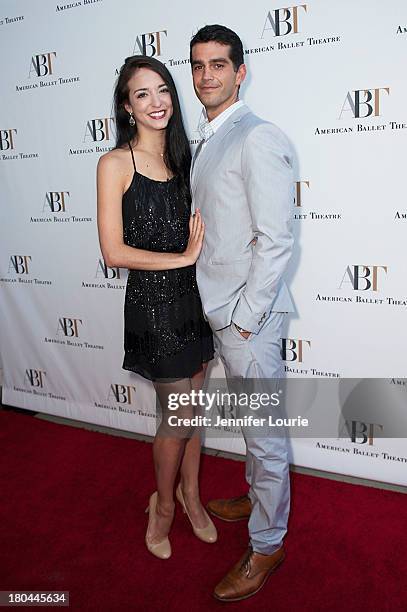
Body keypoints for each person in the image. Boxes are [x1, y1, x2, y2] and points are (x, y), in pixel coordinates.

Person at [96, 55, 217, 560]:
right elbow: (113, 252)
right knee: (178, 415)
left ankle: (191, 495)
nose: (156, 102)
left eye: (163, 89)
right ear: (127, 106)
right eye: (142, 94)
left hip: (194, 303)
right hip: (153, 308)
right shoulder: (113, 164)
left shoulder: (186, 157)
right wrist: (183, 257)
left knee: (192, 411)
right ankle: (163, 505)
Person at [190, 25, 295, 600]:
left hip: (246, 315)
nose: (207, 75)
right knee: (256, 432)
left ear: (240, 72)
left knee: (265, 434)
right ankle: (259, 498)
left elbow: (276, 238)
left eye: (218, 65)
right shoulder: (212, 135)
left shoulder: (256, 136)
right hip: (223, 308)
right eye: (199, 65)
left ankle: (267, 544)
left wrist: (248, 316)